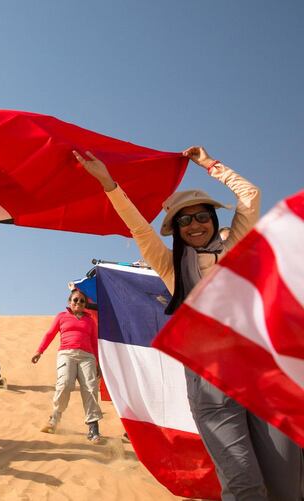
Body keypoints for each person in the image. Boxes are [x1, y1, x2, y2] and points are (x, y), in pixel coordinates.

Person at [76, 147, 302, 500]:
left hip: (262, 377)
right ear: (175, 229)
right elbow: (137, 226)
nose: (194, 224)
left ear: (213, 218)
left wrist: (209, 164)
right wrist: (108, 183)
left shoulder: (237, 245)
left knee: (289, 485)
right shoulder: (170, 266)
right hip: (211, 383)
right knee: (244, 486)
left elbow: (250, 195)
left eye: (201, 216)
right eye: (184, 220)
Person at [32, 289, 103, 443]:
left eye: (82, 301)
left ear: (85, 304)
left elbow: (94, 343)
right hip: (66, 354)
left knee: (90, 389)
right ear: (69, 302)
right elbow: (50, 334)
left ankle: (93, 428)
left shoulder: (90, 320)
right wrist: (39, 351)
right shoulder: (62, 317)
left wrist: (98, 362)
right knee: (64, 384)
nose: (78, 303)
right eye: (75, 300)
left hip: (87, 357)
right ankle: (55, 418)